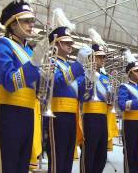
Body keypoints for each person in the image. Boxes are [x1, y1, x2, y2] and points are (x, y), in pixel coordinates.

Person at [0, 0, 43, 172]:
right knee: (5, 165)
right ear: (13, 23)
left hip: (28, 113)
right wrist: (34, 64)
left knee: (21, 166)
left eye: (32, 20)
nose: (31, 24)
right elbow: (10, 82)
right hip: (8, 112)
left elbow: (37, 88)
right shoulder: (2, 45)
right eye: (26, 21)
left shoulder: (28, 49)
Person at [47, 11, 85, 172]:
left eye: (71, 43)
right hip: (57, 114)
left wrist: (87, 79)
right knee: (58, 156)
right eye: (66, 42)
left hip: (72, 115)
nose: (71, 46)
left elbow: (80, 95)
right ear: (56, 43)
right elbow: (57, 83)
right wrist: (78, 65)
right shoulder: (51, 62)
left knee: (68, 156)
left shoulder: (69, 66)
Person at [79, 28, 111, 173]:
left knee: (101, 153)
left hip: (103, 117)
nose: (102, 60)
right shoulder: (84, 73)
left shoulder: (105, 78)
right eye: (99, 57)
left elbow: (109, 100)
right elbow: (82, 95)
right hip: (89, 116)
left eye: (104, 57)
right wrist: (90, 80)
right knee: (89, 151)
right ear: (92, 58)